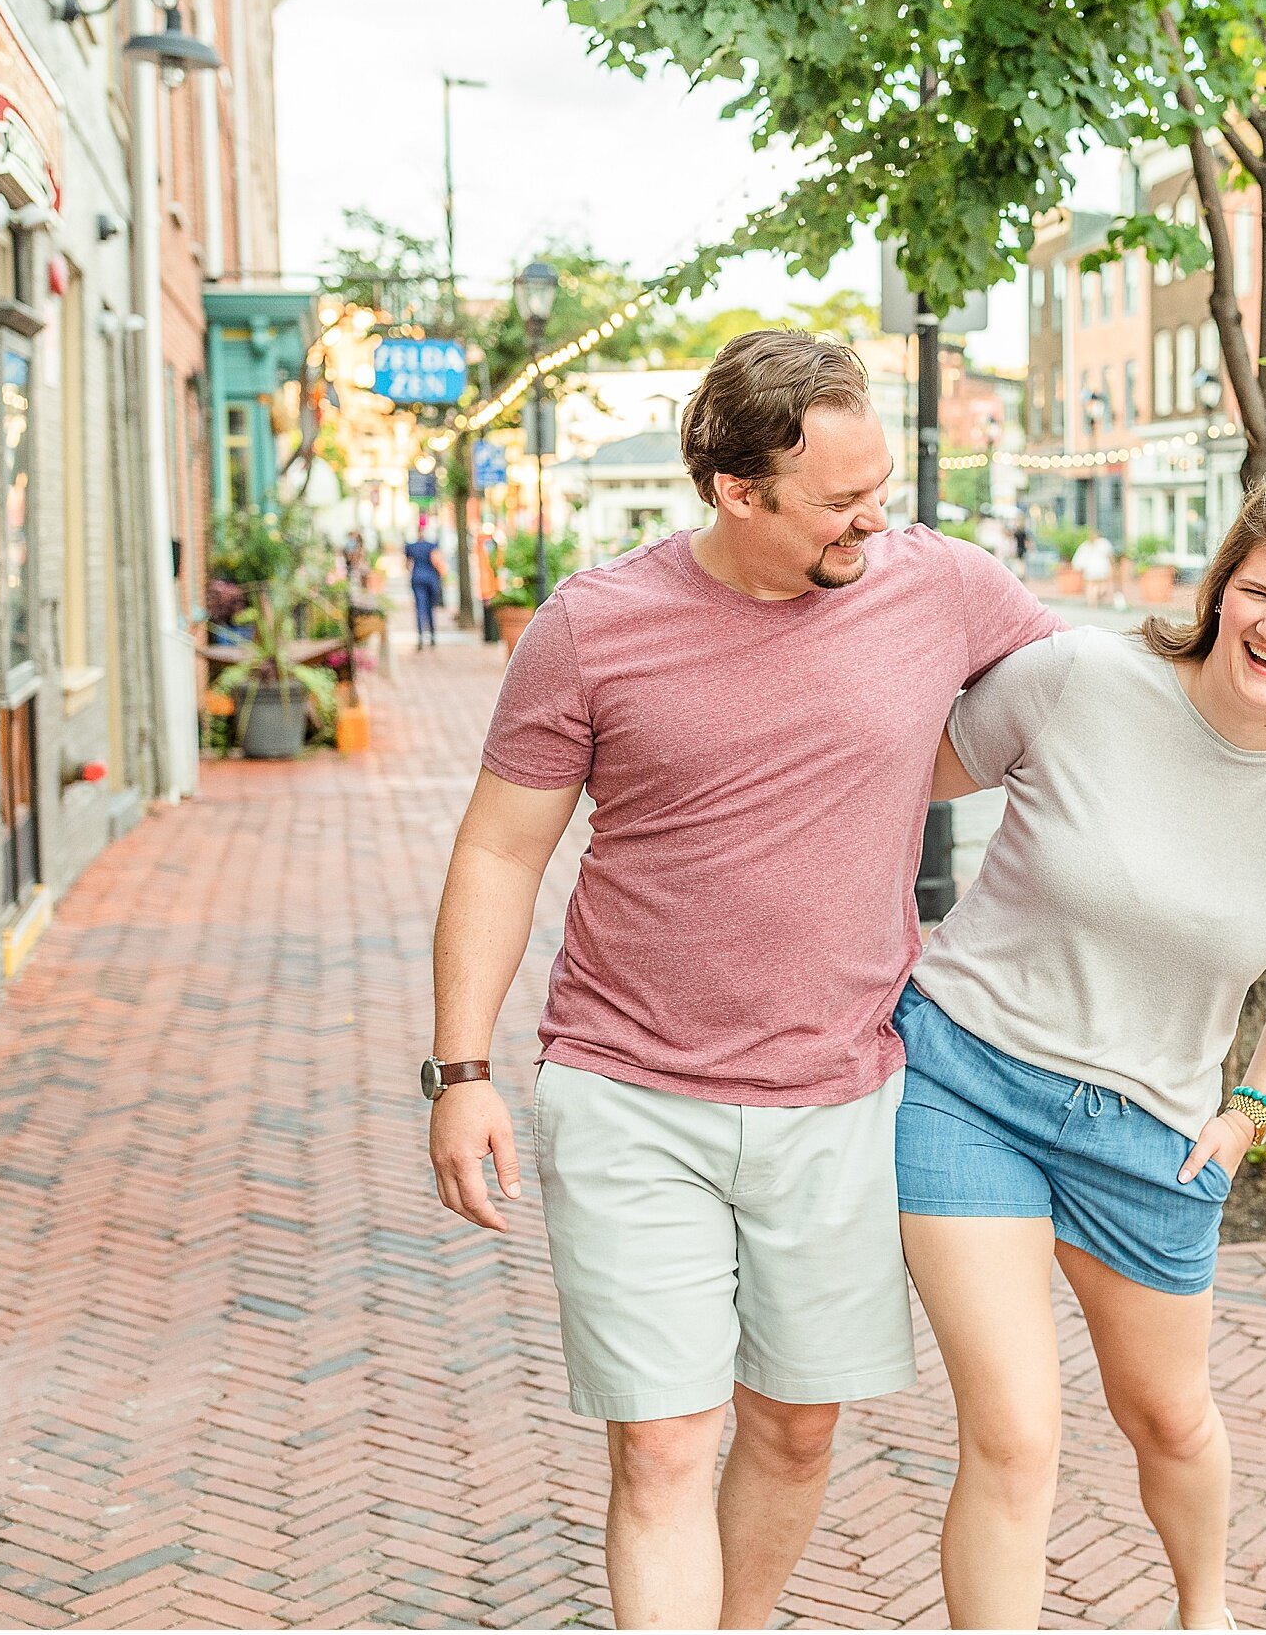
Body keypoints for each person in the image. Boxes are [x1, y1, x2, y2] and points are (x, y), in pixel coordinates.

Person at [425, 331, 1059, 1630]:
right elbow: (497, 849)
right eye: (839, 500)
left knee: (795, 1429)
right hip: (628, 1090)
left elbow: (1081, 703)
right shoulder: (594, 628)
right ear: (737, 490)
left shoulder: (935, 583)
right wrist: (459, 1069)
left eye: (881, 487)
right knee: (662, 1446)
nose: (873, 521)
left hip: (840, 1095)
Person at [898, 477, 1266, 1631]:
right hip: (965, 1081)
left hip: (1152, 1133)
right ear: (1219, 587)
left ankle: (1206, 1611)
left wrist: (1252, 1110)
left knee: (1171, 1419)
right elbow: (880, 787)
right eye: (1256, 591)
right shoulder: (1080, 681)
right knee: (1014, 1432)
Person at [404, 520, 445, 649]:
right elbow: (437, 562)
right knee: (430, 608)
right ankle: (432, 635)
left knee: (420, 607)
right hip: (431, 578)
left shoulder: (411, 546)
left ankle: (421, 636)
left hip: (417, 578)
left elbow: (407, 565)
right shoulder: (431, 545)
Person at [1073, 529, 1117, 607]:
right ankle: (1094, 600)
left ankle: (1093, 602)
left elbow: (1078, 560)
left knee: (1093, 585)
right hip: (1099, 569)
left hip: (1094, 569)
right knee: (1098, 585)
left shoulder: (1087, 545)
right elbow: (1111, 556)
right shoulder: (1101, 543)